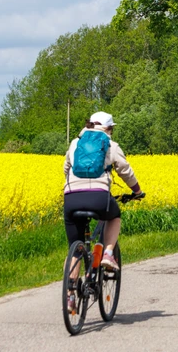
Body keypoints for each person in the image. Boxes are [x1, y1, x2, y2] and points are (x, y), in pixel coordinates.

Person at [63, 112, 143, 272]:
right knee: (114, 216)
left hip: (71, 198)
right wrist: (137, 191)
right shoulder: (111, 145)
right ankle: (107, 253)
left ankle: (70, 294)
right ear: (109, 128)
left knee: (74, 248)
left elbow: (66, 168)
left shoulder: (75, 143)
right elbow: (125, 171)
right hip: (99, 198)